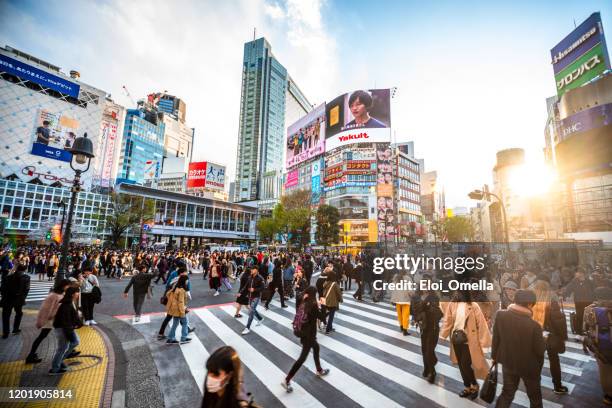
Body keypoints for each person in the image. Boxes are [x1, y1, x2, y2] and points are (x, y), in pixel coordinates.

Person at [492, 289, 546, 407]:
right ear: (529, 304)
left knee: (507, 393)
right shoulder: (534, 326)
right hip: (529, 367)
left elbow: (496, 338)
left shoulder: (500, 315)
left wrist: (494, 356)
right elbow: (540, 350)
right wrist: (544, 340)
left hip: (508, 362)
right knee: (535, 397)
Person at [440, 290, 491, 400]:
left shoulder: (473, 306)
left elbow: (481, 324)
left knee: (465, 364)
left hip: (470, 341)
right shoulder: (452, 305)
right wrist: (443, 335)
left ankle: (474, 385)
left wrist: (484, 342)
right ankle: (467, 387)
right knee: (461, 365)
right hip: (457, 339)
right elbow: (447, 320)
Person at [282, 286, 329, 392]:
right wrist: (324, 304)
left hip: (304, 333)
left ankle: (319, 370)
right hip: (309, 336)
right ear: (314, 294)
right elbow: (322, 317)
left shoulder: (303, 302)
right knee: (302, 358)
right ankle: (287, 380)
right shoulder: (313, 305)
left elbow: (299, 297)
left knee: (316, 348)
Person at [532, 279, 568, 394]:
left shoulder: (531, 302)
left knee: (537, 361)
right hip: (550, 336)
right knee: (554, 360)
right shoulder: (552, 302)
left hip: (536, 336)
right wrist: (563, 337)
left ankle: (534, 384)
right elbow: (559, 322)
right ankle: (557, 386)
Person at [26, 279, 71, 364]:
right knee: (42, 336)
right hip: (50, 320)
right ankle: (30, 356)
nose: (68, 287)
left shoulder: (61, 294)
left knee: (45, 336)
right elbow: (46, 309)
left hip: (55, 319)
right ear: (63, 286)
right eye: (68, 285)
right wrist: (43, 320)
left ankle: (31, 355)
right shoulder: (54, 295)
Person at [583, 286, 612, 406]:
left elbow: (584, 328)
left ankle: (609, 397)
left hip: (601, 346)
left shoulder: (589, 309)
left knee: (605, 372)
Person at [412, 287, 443, 383]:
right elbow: (414, 310)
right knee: (424, 349)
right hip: (423, 327)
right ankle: (427, 368)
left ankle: (432, 372)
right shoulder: (416, 297)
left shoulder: (434, 297)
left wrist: (426, 306)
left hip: (433, 328)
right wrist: (415, 318)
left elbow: (439, 313)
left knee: (429, 350)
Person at [50, 287, 82, 374]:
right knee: (63, 348)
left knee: (74, 343)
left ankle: (59, 362)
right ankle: (55, 369)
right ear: (72, 294)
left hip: (66, 328)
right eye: (77, 292)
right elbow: (65, 321)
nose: (78, 294)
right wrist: (70, 334)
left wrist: (78, 323)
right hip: (63, 329)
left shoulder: (69, 302)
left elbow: (73, 316)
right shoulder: (66, 304)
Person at [1, 264, 31, 338]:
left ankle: (6, 333)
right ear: (24, 270)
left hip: (7, 299)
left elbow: (2, 289)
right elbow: (26, 290)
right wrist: (23, 298)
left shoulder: (8, 277)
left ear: (16, 269)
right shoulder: (26, 278)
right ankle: (15, 329)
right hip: (18, 300)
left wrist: (4, 296)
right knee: (19, 313)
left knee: (6, 316)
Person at [562, 268, 595, 335]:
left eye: (577, 273)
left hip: (588, 302)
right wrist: (564, 295)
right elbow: (569, 289)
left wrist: (595, 299)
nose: (575, 274)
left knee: (588, 316)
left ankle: (587, 330)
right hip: (579, 302)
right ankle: (579, 331)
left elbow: (594, 291)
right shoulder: (574, 281)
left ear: (582, 273)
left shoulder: (589, 282)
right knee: (579, 316)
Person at [165, 275, 191, 344]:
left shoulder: (175, 288)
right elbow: (181, 302)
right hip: (179, 310)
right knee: (185, 323)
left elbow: (168, 294)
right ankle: (183, 338)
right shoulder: (182, 290)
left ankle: (170, 338)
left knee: (175, 324)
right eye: (187, 280)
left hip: (174, 309)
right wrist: (183, 312)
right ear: (185, 281)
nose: (188, 281)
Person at [241, 266, 265, 335]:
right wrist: (240, 292)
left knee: (251, 311)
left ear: (256, 270)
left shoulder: (260, 278)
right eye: (251, 269)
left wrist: (254, 289)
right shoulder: (250, 277)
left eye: (253, 269)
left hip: (256, 297)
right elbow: (246, 286)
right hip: (250, 296)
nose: (251, 270)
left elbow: (263, 287)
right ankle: (260, 319)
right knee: (252, 309)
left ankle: (247, 328)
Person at [390, 271, 412, 336]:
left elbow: (393, 289)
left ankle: (401, 326)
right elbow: (410, 290)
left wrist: (392, 299)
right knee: (405, 315)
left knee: (399, 314)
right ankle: (405, 330)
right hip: (405, 299)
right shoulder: (408, 278)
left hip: (397, 299)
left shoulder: (395, 277)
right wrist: (412, 295)